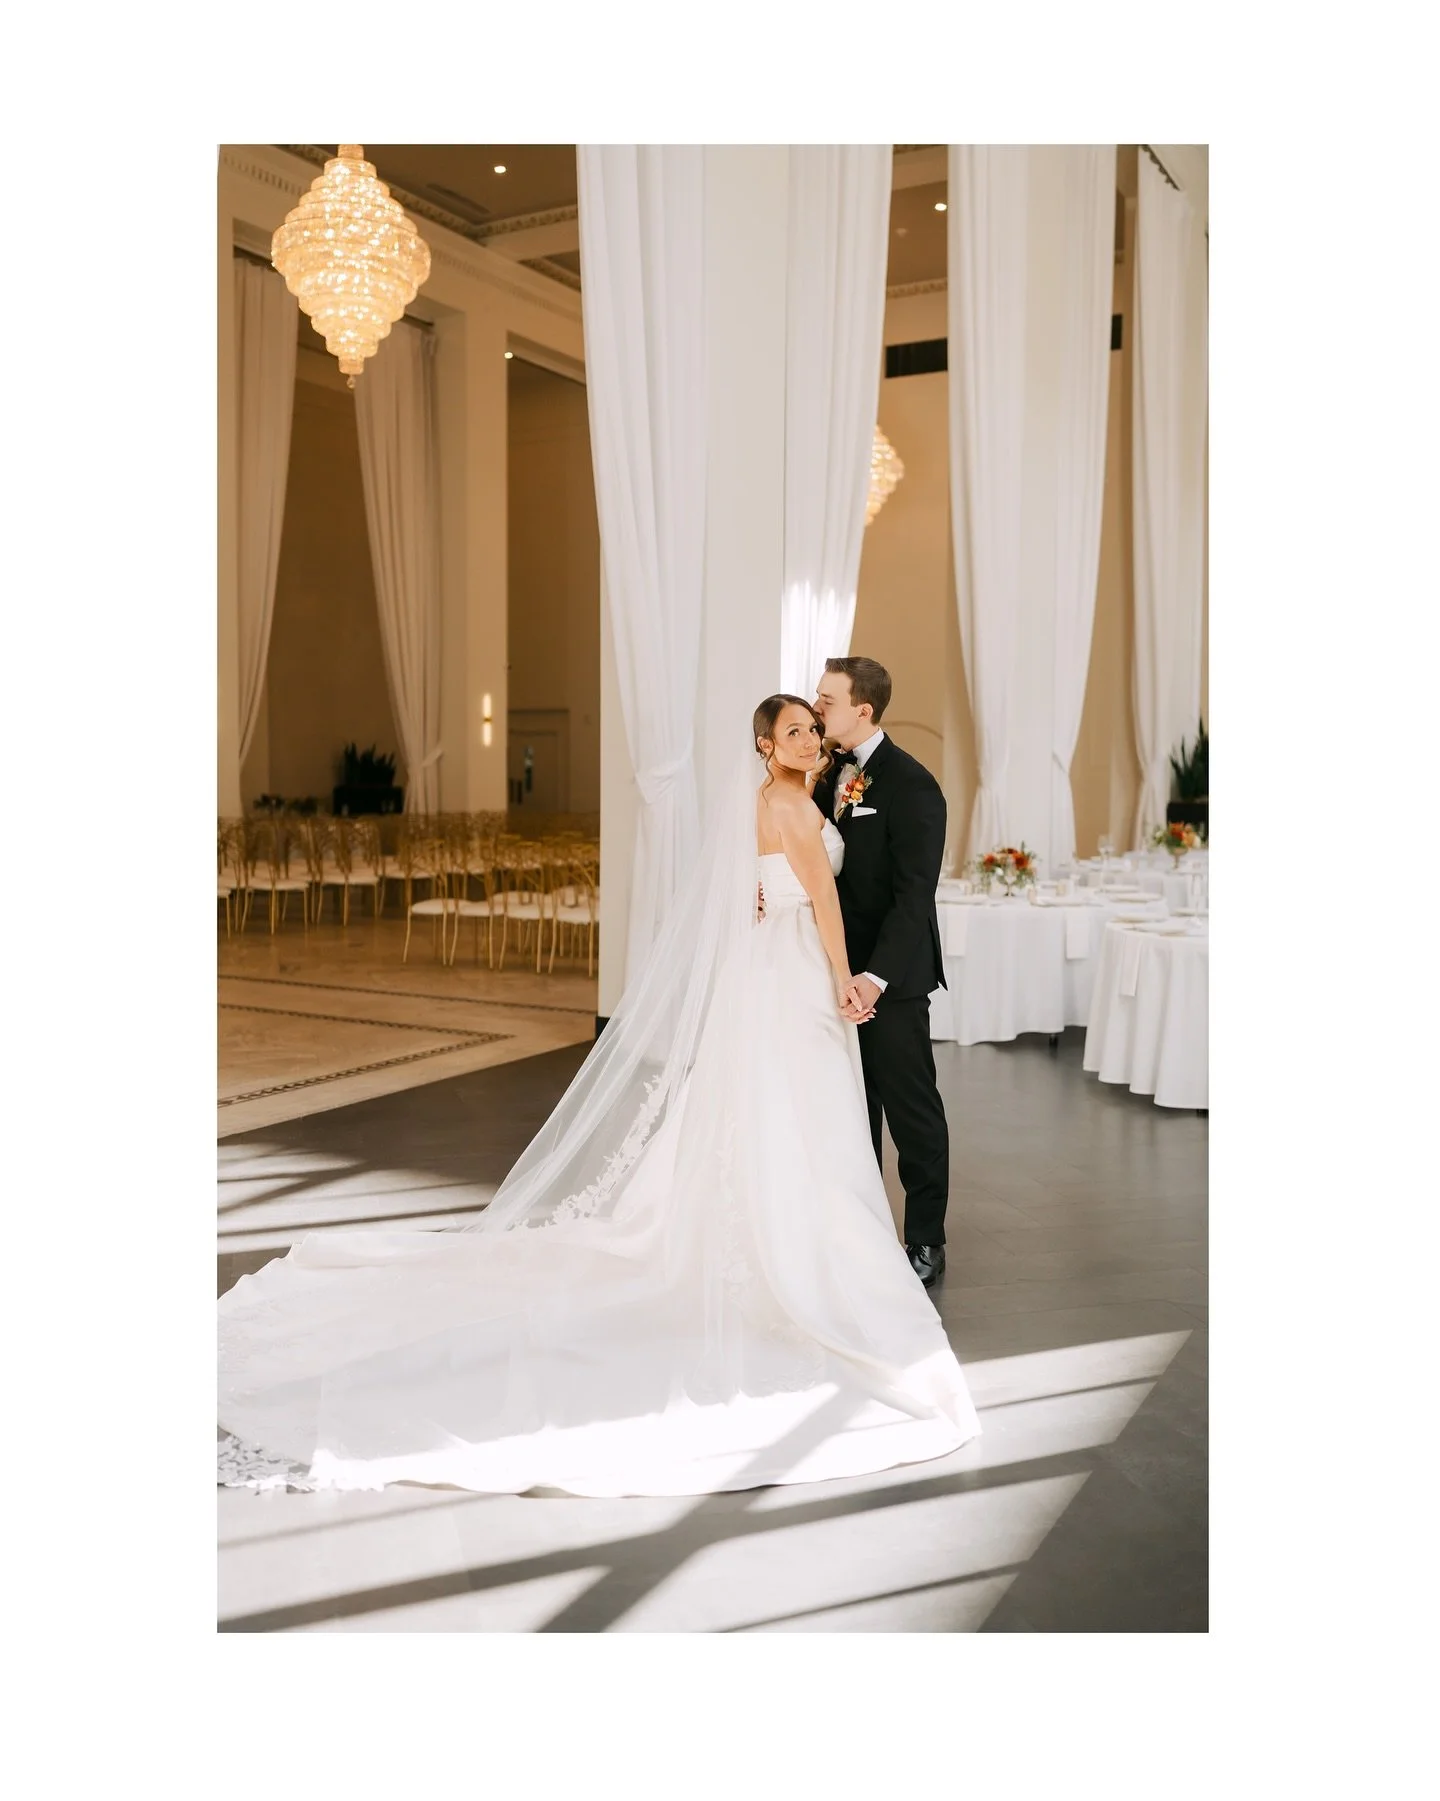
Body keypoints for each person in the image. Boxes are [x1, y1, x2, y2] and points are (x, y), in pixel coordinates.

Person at [218, 695, 979, 1499]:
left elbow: (768, 889)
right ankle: (799, 1251)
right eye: (794, 729)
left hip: (770, 970)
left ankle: (782, 1227)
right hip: (794, 976)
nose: (810, 737)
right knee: (798, 1108)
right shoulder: (788, 802)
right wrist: (841, 980)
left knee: (780, 1109)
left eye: (812, 728)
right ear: (764, 744)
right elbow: (823, 901)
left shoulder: (775, 799)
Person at [811, 658, 951, 1287]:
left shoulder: (913, 785)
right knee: (849, 1108)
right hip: (829, 974)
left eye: (827, 700)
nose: (818, 710)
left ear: (862, 709)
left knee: (910, 1108)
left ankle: (925, 1237)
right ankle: (861, 1228)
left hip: (890, 983)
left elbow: (913, 896)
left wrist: (874, 978)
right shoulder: (824, 779)